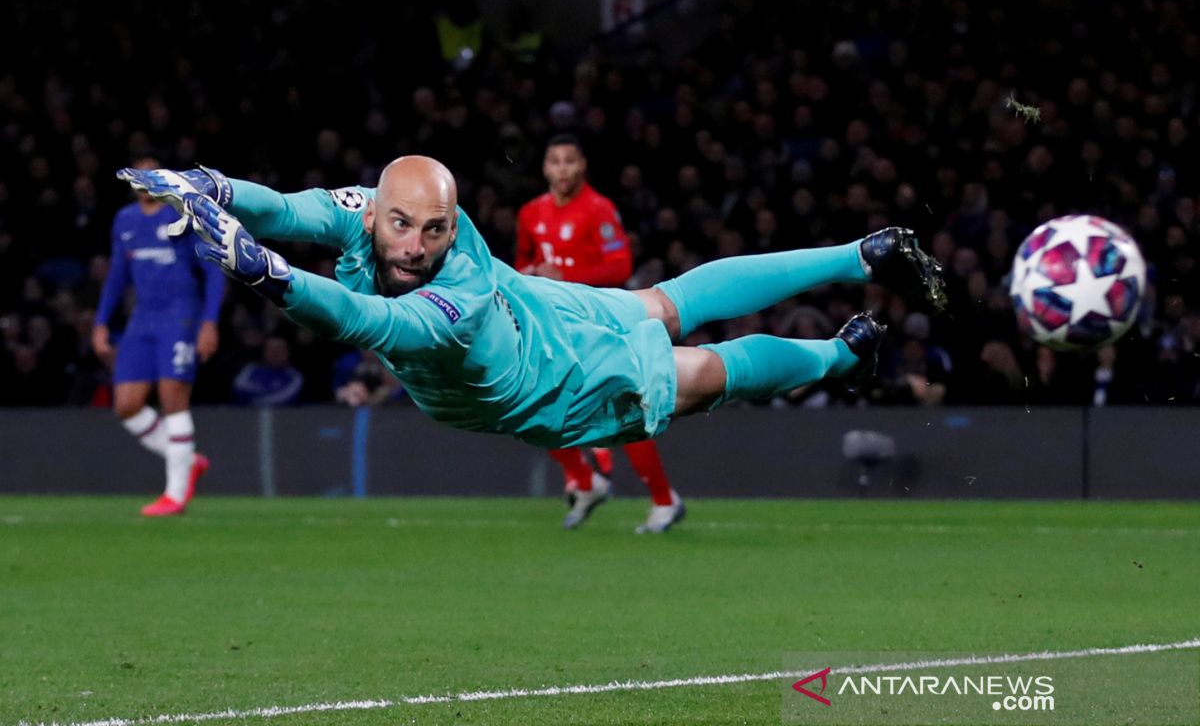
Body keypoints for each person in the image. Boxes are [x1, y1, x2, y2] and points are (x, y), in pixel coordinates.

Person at [115, 158, 945, 489]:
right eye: (399, 226)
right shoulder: (369, 213)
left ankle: (850, 309)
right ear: (376, 212)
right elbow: (292, 207)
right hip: (530, 344)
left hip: (537, 356)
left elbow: (369, 320)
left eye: (434, 230)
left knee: (680, 341)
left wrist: (265, 273)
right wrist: (214, 186)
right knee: (679, 338)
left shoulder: (457, 291)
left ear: (452, 224)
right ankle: (849, 307)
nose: (413, 246)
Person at [517, 134, 683, 532]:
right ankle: (587, 480)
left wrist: (566, 278)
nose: (561, 169)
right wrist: (528, 275)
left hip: (598, 324)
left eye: (569, 161)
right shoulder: (531, 214)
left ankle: (664, 500)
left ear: (582, 166)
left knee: (626, 408)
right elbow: (523, 261)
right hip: (554, 327)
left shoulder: (599, 209)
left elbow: (620, 265)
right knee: (530, 407)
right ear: (544, 168)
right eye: (554, 161)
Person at [93, 158, 225, 516]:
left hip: (179, 316)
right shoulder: (125, 220)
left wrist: (209, 322)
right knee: (126, 404)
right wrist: (101, 321)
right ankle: (186, 459)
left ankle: (175, 494)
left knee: (172, 397)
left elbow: (213, 270)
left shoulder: (181, 214)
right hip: (142, 319)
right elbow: (118, 275)